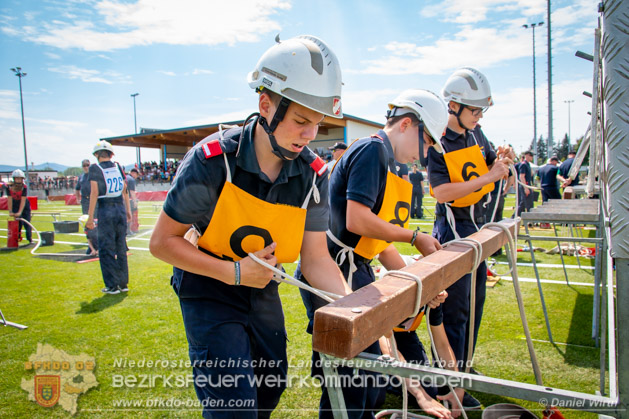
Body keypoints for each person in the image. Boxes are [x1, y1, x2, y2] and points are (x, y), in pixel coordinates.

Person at [149, 35, 353, 419]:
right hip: (208, 287)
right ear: (265, 106)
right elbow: (162, 243)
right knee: (234, 407)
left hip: (261, 290)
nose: (311, 135)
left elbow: (315, 260)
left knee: (270, 389)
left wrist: (352, 305)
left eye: (318, 123)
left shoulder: (312, 176)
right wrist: (236, 272)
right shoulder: (210, 161)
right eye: (300, 121)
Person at [297, 89, 448, 418]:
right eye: (426, 143)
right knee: (348, 384)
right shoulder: (371, 151)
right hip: (333, 268)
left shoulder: (386, 159)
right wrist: (415, 236)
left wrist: (420, 283)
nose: (424, 155)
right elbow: (358, 219)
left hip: (356, 268)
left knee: (371, 380)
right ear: (407, 124)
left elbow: (378, 242)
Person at [427, 67, 514, 408]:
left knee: (473, 310)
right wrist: (489, 176)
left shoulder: (478, 135)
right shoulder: (437, 140)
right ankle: (446, 386)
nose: (479, 117)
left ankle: (460, 372)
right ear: (453, 106)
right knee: (454, 314)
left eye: (481, 111)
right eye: (474, 110)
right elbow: (441, 191)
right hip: (453, 239)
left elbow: (495, 163)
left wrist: (504, 160)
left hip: (477, 236)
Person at [86, 140, 131, 295]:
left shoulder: (95, 168)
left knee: (106, 249)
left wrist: (90, 217)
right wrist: (128, 210)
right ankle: (123, 283)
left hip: (106, 209)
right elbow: (125, 190)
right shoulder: (118, 166)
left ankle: (112, 285)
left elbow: (94, 193)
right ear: (111, 154)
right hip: (120, 209)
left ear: (97, 155)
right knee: (121, 247)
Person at [7, 169, 32, 244]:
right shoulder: (9, 187)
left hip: (24, 205)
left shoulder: (24, 187)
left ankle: (29, 238)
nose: (18, 180)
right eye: (17, 178)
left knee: (27, 222)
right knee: (18, 223)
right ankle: (16, 237)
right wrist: (11, 211)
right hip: (15, 203)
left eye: (20, 178)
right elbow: (10, 199)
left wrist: (20, 212)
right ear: (14, 179)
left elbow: (23, 200)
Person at [516, 151, 534, 216]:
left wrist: (531, 187)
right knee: (528, 203)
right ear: (526, 155)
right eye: (531, 155)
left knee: (523, 203)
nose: (532, 157)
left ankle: (515, 216)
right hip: (524, 185)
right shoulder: (523, 164)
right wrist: (525, 188)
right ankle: (530, 218)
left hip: (527, 185)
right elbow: (522, 176)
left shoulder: (528, 164)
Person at [126, 168, 139, 234]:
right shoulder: (131, 180)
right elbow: (132, 192)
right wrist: (135, 201)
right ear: (134, 173)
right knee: (129, 214)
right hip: (126, 200)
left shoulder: (125, 178)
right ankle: (128, 231)